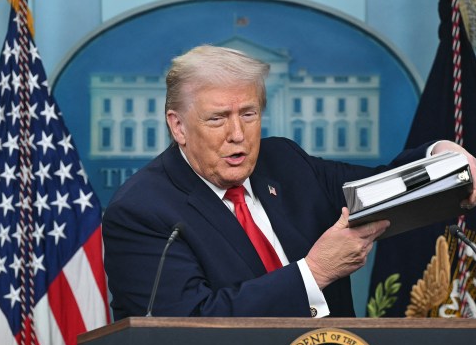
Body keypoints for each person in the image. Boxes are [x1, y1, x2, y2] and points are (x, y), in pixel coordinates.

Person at [102, 45, 476, 320]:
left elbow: (377, 190)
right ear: (178, 126)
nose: (237, 134)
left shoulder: (283, 162)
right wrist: (314, 272)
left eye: (248, 114)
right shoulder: (141, 210)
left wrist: (440, 160)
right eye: (217, 119)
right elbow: (185, 325)